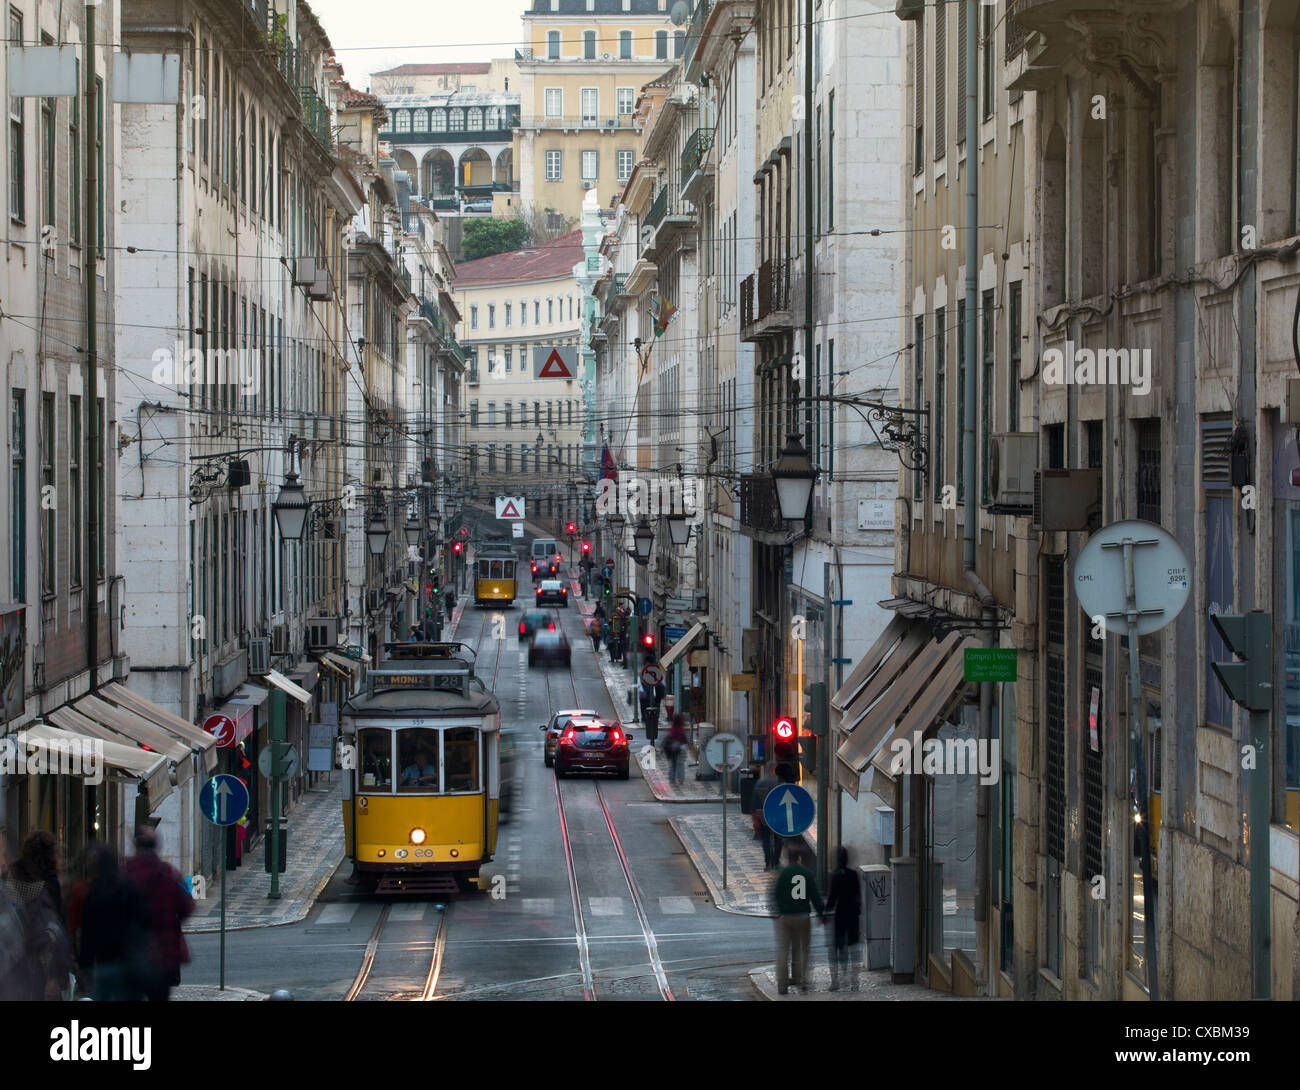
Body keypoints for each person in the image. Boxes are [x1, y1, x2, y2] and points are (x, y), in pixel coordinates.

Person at [123, 825, 194, 1001]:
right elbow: (187, 907)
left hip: (130, 953)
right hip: (163, 955)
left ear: (136, 846)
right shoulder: (169, 873)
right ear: (157, 846)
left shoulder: (125, 873)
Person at [3, 831, 76, 1000]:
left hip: (14, 963)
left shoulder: (13, 879)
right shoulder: (47, 885)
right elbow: (53, 929)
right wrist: (57, 973)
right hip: (39, 966)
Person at [79, 844, 152, 1002]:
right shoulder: (128, 888)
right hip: (128, 962)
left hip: (104, 963)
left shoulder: (94, 893)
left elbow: (87, 933)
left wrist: (85, 966)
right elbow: (146, 919)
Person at [772, 846, 824, 995]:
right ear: (799, 858)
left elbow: (776, 894)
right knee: (804, 950)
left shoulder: (782, 874)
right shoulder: (807, 873)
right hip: (803, 916)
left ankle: (782, 986)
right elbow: (815, 896)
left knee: (783, 951)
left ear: (788, 858)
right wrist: (821, 913)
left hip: (785, 917)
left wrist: (779, 911)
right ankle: (803, 981)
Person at [824, 846, 862, 991]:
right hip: (853, 915)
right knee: (853, 947)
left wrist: (826, 912)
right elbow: (858, 895)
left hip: (840, 915)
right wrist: (858, 910)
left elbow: (832, 897)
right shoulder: (854, 874)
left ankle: (838, 980)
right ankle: (854, 980)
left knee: (840, 948)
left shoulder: (835, 875)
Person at [752, 763, 796, 869]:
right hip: (778, 816)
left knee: (766, 839)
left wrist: (755, 817)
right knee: (777, 840)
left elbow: (754, 801)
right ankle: (775, 862)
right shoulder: (780, 783)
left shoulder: (760, 782)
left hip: (764, 815)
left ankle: (768, 862)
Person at [663, 713, 688, 786]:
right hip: (681, 749)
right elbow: (685, 740)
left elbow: (667, 739)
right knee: (680, 765)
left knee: (672, 765)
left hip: (672, 750)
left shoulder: (672, 729)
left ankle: (672, 780)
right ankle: (681, 780)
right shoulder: (681, 730)